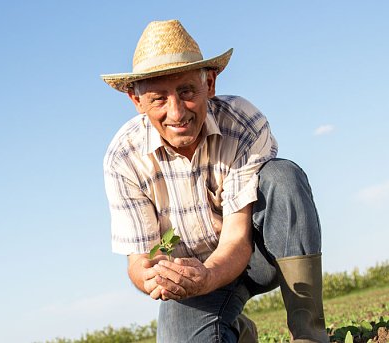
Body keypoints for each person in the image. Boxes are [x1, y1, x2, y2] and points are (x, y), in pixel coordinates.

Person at [100, 20, 328, 343]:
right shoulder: (124, 158)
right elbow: (139, 258)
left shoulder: (242, 123)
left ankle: (309, 335)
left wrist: (209, 275)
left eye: (186, 91)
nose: (177, 113)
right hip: (194, 277)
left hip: (260, 251)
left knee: (282, 177)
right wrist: (153, 275)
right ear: (136, 101)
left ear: (209, 83)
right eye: (159, 99)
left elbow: (237, 239)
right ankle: (236, 330)